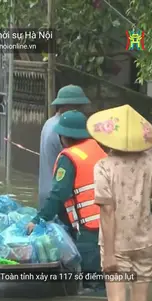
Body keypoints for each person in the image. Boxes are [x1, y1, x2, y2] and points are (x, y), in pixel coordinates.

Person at [86, 104, 152, 301]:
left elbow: (107, 211)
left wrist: (110, 254)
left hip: (117, 246)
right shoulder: (150, 162)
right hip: (145, 242)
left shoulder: (103, 167)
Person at [28, 110, 107, 285]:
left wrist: (38, 219)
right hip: (110, 225)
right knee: (106, 281)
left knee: (90, 285)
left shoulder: (69, 157)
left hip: (89, 232)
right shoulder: (97, 149)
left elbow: (58, 194)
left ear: (64, 136)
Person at [38, 85, 91, 209]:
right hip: (58, 197)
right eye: (78, 107)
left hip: (47, 193)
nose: (80, 111)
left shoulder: (49, 122)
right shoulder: (64, 129)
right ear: (67, 106)